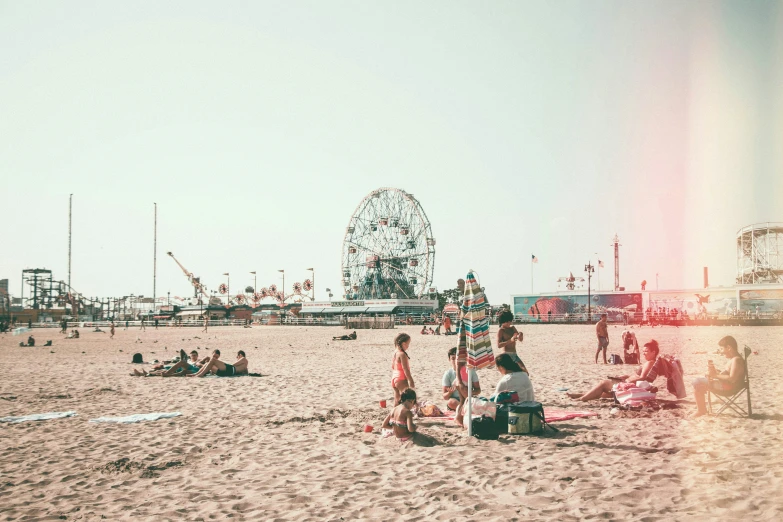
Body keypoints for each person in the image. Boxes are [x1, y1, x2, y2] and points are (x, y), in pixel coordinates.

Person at [568, 340, 667, 401]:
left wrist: (625, 382)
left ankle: (582, 398)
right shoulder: (650, 362)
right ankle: (580, 395)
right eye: (643, 350)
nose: (644, 353)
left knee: (603, 383)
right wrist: (625, 377)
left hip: (630, 385)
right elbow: (640, 377)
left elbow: (642, 378)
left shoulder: (649, 363)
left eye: (646, 351)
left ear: (653, 352)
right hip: (629, 382)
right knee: (602, 393)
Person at [692, 336, 746, 417]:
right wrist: (717, 373)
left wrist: (715, 375)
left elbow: (732, 378)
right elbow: (729, 375)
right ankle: (701, 409)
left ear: (728, 348)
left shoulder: (736, 360)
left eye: (721, 349)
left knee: (697, 382)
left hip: (729, 387)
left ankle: (701, 410)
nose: (721, 352)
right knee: (700, 381)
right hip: (728, 385)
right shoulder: (735, 359)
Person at [442, 347, 480, 411]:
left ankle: (465, 408)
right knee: (451, 402)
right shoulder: (448, 374)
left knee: (481, 400)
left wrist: (470, 392)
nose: (455, 361)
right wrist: (450, 393)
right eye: (453, 359)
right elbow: (445, 396)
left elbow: (478, 390)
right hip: (456, 401)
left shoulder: (470, 371)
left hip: (469, 398)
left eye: (457, 358)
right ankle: (465, 408)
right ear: (449, 359)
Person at [390, 333, 414, 406]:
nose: (408, 346)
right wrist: (411, 380)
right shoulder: (402, 354)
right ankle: (405, 415)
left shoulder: (395, 352)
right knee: (407, 399)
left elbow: (393, 366)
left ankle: (393, 415)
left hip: (394, 377)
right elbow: (405, 369)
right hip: (401, 378)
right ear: (403, 344)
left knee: (397, 400)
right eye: (408, 344)